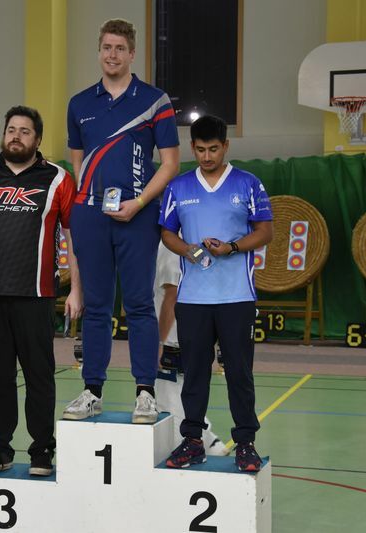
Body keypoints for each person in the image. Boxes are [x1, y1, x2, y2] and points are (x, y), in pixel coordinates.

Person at [0, 106, 82, 477]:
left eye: (25, 131)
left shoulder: (57, 178)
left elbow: (73, 237)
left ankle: (42, 450)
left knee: (39, 376)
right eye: (11, 129)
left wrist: (77, 289)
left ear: (37, 140)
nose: (16, 136)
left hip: (37, 296)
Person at [63, 18, 179, 424]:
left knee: (139, 305)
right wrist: (89, 202)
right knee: (96, 306)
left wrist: (140, 202)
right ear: (99, 51)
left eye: (119, 49)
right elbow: (78, 164)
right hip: (90, 215)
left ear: (132, 54)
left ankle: (145, 392)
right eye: (106, 47)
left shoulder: (154, 101)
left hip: (137, 216)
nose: (112, 55)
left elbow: (170, 164)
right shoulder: (80, 104)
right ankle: (92, 391)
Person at [159, 115, 273, 472]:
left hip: (237, 297)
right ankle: (193, 440)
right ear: (192, 148)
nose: (207, 156)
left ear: (225, 146)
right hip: (193, 299)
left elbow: (265, 231)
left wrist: (233, 247)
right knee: (194, 373)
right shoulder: (178, 187)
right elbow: (167, 232)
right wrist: (188, 250)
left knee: (239, 372)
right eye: (200, 149)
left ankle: (246, 443)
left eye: (213, 149)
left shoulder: (248, 183)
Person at [154, 242, 229, 457]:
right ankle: (211, 441)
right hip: (191, 335)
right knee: (184, 394)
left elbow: (172, 296)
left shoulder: (171, 247)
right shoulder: (193, 244)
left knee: (169, 401)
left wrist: (159, 343)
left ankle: (202, 445)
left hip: (172, 341)